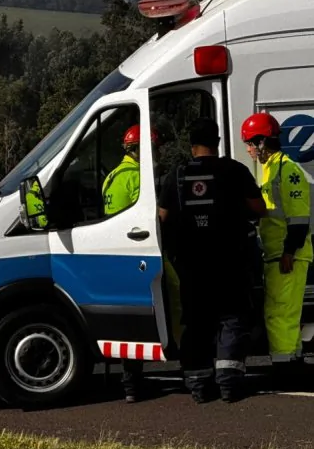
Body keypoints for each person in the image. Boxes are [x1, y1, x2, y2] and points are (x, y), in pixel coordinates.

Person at [158, 118, 266, 403]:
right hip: (231, 263)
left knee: (196, 322)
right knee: (232, 319)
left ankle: (198, 386)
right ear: (217, 143)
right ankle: (229, 385)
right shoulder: (235, 170)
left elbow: (162, 218)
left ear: (192, 146)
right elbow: (258, 208)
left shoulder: (177, 175)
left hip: (192, 266)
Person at [101, 124, 181, 402]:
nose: (157, 153)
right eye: (154, 148)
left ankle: (130, 385)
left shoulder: (112, 177)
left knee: (128, 324)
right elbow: (156, 218)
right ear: (140, 150)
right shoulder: (139, 178)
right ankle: (186, 362)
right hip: (142, 253)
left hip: (115, 255)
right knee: (175, 296)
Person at [241, 112, 312, 384]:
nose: (248, 149)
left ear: (261, 142)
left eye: (249, 143)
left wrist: (289, 252)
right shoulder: (271, 169)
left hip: (286, 256)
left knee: (278, 313)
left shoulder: (287, 170)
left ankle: (284, 368)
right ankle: (293, 360)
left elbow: (299, 218)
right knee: (287, 312)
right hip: (278, 253)